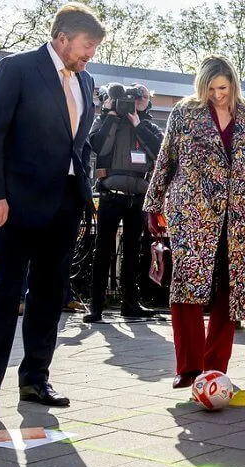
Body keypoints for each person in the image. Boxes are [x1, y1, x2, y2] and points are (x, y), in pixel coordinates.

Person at [0, 3, 105, 423]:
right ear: (62, 37)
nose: (90, 56)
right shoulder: (17, 68)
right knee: (5, 293)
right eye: (86, 46)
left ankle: (35, 380)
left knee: (49, 295)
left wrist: (83, 194)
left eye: (95, 49)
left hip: (65, 203)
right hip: (16, 203)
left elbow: (76, 143)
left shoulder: (86, 80)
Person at [143, 55, 245, 389]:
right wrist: (152, 204)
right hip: (193, 214)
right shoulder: (183, 114)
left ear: (233, 83)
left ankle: (215, 368)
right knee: (187, 287)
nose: (218, 94)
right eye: (211, 88)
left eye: (223, 87)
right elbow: (165, 160)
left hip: (240, 218)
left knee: (229, 290)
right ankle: (188, 368)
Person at [83, 82, 163, 323]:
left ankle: (130, 303)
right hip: (111, 195)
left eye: (144, 96)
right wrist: (112, 117)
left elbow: (160, 152)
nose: (138, 100)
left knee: (133, 251)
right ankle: (95, 305)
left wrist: (139, 127)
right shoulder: (107, 120)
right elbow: (98, 147)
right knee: (103, 250)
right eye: (135, 95)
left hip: (138, 197)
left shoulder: (148, 125)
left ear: (148, 102)